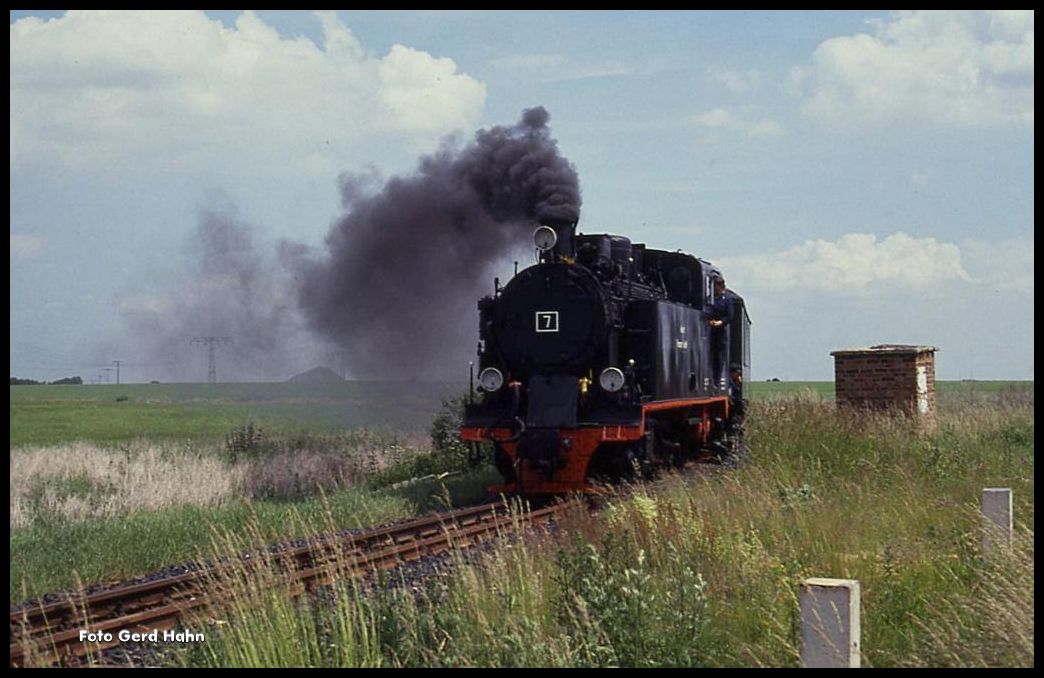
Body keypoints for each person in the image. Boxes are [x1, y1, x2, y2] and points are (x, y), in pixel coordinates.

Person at [708, 276, 734, 389]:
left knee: (718, 356)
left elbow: (730, 316)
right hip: (709, 330)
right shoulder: (709, 299)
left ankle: (716, 382)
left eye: (715, 286)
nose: (714, 288)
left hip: (720, 331)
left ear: (720, 286)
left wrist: (720, 322)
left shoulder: (727, 299)